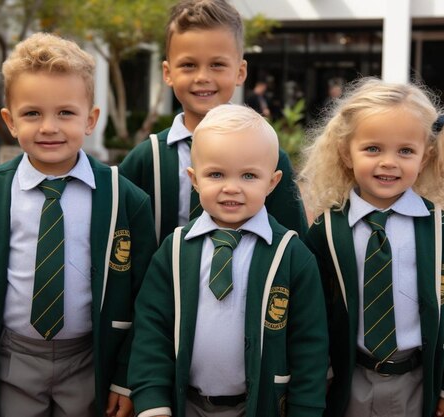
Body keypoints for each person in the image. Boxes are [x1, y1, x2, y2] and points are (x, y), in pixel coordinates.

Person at [0, 32, 157, 417]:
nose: (49, 127)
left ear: (90, 119)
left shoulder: (127, 199)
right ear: (10, 121)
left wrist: (126, 376)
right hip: (13, 357)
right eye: (33, 113)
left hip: (91, 358)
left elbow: (145, 298)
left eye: (65, 113)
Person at [299, 78, 444, 417]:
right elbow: (311, 315)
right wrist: (314, 378)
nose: (389, 162)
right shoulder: (325, 231)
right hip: (346, 380)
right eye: (373, 148)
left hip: (416, 382)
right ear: (346, 152)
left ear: (425, 156)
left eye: (405, 151)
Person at [128, 104, 329, 417]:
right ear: (194, 179)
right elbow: (153, 328)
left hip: (260, 406)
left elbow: (310, 343)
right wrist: (152, 400)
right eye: (216, 174)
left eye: (249, 175)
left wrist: (305, 408)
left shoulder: (292, 255)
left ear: (273, 182)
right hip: (186, 404)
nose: (231, 188)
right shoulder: (175, 250)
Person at [119, 0, 308, 245]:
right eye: (188, 65)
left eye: (217, 65)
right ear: (167, 73)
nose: (202, 78)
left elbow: (294, 245)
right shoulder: (147, 159)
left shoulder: (267, 157)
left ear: (240, 72)